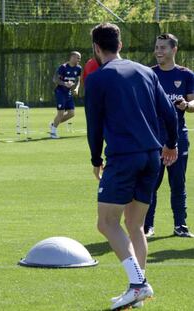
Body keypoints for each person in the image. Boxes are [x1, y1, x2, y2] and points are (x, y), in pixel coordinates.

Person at [85, 23, 178, 310]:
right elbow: (169, 112)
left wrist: (96, 159)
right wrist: (172, 144)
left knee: (107, 222)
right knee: (135, 225)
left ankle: (138, 284)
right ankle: (137, 289)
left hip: (124, 157)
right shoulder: (147, 72)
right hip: (152, 156)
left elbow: (94, 126)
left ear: (97, 49)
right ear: (120, 45)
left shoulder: (98, 79)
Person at [144, 33, 194, 238]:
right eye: (156, 47)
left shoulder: (186, 75)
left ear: (174, 50)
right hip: (153, 138)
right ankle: (147, 226)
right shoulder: (148, 74)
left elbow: (193, 103)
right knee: (151, 183)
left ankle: (180, 226)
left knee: (178, 183)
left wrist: (187, 105)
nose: (158, 51)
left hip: (178, 137)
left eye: (163, 48)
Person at [50, 51, 81, 139]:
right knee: (61, 112)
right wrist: (64, 83)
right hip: (60, 91)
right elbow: (55, 79)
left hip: (68, 92)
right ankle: (53, 132)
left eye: (79, 58)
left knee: (71, 113)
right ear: (72, 57)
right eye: (77, 58)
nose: (79, 60)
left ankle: (53, 124)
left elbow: (79, 80)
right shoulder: (63, 67)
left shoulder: (78, 68)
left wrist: (77, 88)